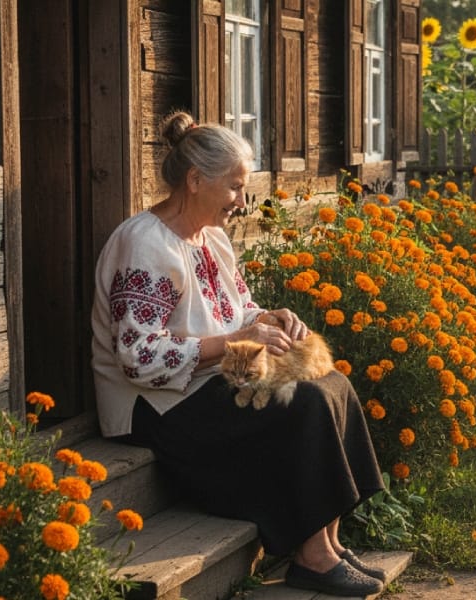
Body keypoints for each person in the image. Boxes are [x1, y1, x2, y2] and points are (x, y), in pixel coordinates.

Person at [91, 111, 386, 597]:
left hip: (208, 381)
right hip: (152, 404)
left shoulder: (211, 240)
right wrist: (238, 341)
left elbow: (239, 310)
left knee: (330, 382)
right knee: (302, 401)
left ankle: (329, 543)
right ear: (194, 180)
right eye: (234, 188)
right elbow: (137, 357)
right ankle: (311, 558)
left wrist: (272, 318)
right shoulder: (144, 244)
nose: (242, 201)